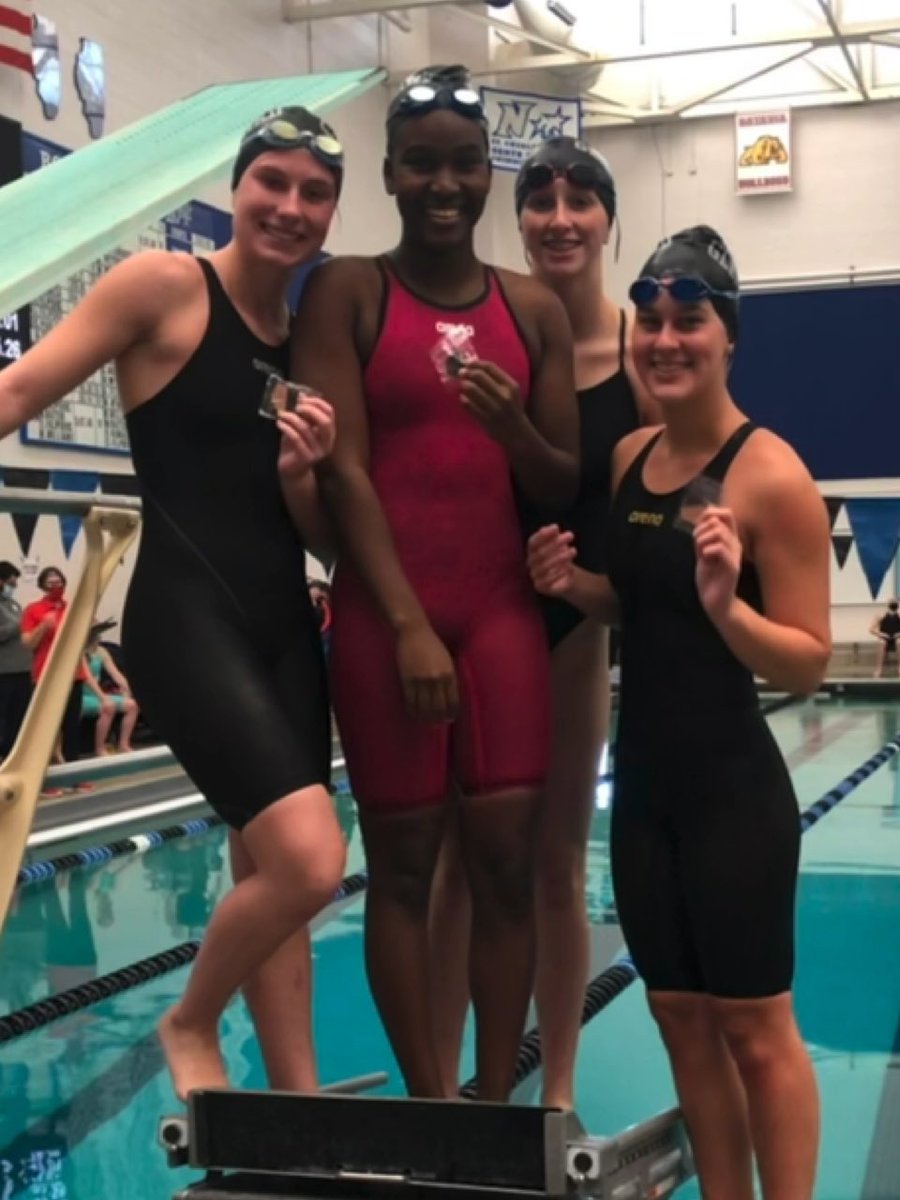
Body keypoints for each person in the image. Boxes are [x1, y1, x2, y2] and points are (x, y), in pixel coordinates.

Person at [0, 106, 348, 1101]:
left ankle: (298, 1109)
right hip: (185, 615)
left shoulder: (306, 335)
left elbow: (320, 536)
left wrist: (308, 473)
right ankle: (188, 1019)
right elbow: (20, 390)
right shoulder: (166, 285)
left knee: (274, 884)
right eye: (269, 182)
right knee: (311, 862)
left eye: (313, 192)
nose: (289, 206)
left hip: (285, 626)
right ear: (235, 188)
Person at [292, 64, 579, 1101]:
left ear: (488, 174)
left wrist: (514, 429)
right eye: (423, 165)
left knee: (505, 871)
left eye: (464, 163)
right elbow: (345, 468)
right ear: (390, 174)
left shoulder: (534, 309)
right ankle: (429, 1105)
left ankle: (493, 1103)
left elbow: (561, 477)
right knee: (402, 873)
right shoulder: (346, 290)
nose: (445, 184)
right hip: (384, 617)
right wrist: (409, 625)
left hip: (501, 614)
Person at [527, 225, 829, 1199]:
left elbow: (810, 664)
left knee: (756, 1028)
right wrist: (578, 585)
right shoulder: (628, 456)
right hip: (646, 790)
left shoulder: (770, 474)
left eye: (688, 320)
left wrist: (727, 609)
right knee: (680, 1019)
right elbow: (634, 600)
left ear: (727, 336)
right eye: (650, 319)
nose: (664, 339)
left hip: (733, 795)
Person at [429, 136, 658, 1106]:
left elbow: (682, 485)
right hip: (473, 625)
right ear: (515, 219)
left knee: (558, 864)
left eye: (581, 200)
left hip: (571, 634)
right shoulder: (480, 334)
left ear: (608, 219)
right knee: (452, 864)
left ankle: (554, 1087)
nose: (560, 218)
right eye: (541, 201)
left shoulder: (642, 352)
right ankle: (437, 1092)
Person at [20, 567, 91, 776]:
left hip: (72, 674)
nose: (56, 586)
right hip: (47, 675)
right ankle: (44, 776)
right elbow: (28, 643)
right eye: (51, 583)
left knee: (72, 727)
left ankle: (74, 775)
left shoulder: (71, 608)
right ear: (42, 585)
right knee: (46, 729)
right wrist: (43, 625)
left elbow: (80, 641)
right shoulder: (33, 609)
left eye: (59, 582)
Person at [81, 620, 140, 755]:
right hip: (84, 696)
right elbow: (88, 678)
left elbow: (116, 674)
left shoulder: (101, 651)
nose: (98, 636)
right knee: (109, 706)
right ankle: (99, 748)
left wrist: (128, 690)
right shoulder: (80, 653)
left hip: (97, 695)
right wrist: (103, 698)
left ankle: (124, 744)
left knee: (132, 705)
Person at [0, 561, 32, 760]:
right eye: (11, 583)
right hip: (4, 672)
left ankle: (14, 755)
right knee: (3, 718)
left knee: (18, 717)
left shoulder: (13, 604)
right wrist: (21, 623)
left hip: (23, 669)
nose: (15, 587)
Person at [870, 599, 900, 678]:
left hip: (896, 637)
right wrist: (881, 634)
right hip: (884, 637)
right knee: (881, 642)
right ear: (888, 605)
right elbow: (871, 629)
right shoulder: (880, 615)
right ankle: (879, 669)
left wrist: (899, 634)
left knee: (899, 642)